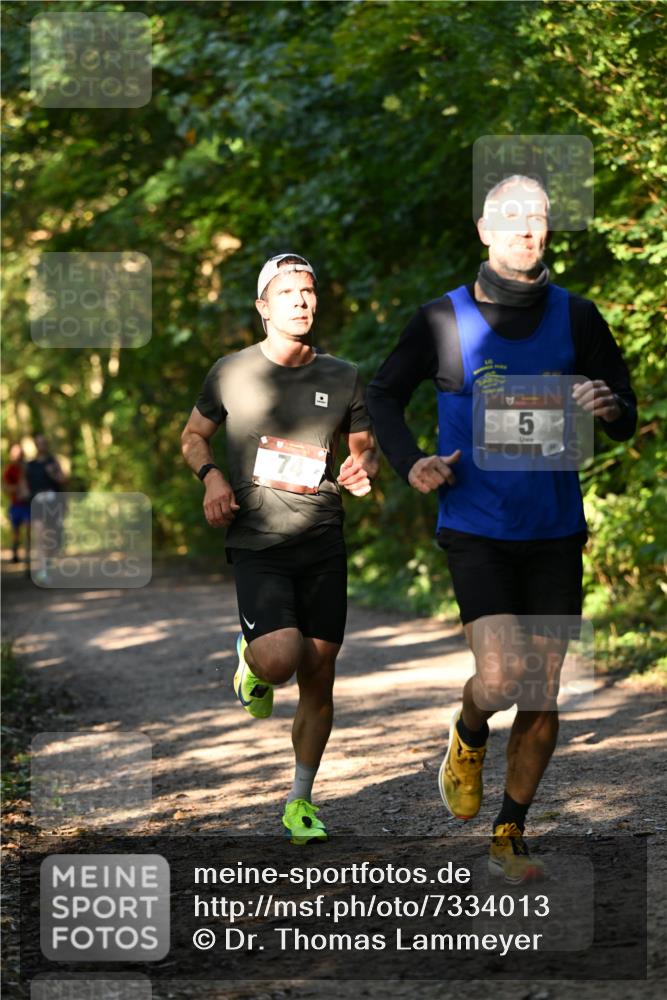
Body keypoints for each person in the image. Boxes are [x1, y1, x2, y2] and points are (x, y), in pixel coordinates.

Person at [367, 175, 636, 882]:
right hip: (477, 526)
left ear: (548, 231)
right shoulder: (441, 321)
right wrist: (410, 461)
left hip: (553, 529)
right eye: (509, 217)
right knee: (499, 673)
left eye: (537, 217)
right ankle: (467, 731)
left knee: (542, 690)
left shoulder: (577, 318)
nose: (525, 228)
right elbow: (382, 395)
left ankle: (508, 831)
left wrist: (606, 405)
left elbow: (625, 413)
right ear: (483, 231)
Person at [181, 253, 378, 844]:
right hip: (259, 540)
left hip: (321, 536)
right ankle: (251, 657)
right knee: (279, 660)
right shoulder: (231, 372)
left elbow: (365, 448)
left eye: (309, 291)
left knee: (320, 677)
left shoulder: (343, 375)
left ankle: (300, 800)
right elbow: (193, 435)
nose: (301, 300)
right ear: (263, 307)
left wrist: (362, 466)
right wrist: (212, 476)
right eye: (288, 292)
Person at [25, 433, 67, 581]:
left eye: (43, 442)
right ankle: (42, 570)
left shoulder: (53, 461)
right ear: (35, 445)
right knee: (40, 536)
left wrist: (53, 474)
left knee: (52, 537)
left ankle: (48, 562)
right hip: (36, 503)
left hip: (53, 503)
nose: (41, 445)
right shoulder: (30, 465)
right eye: (38, 443)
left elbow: (63, 481)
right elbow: (25, 486)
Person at [2, 443, 31, 563]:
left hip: (28, 504)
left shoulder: (28, 467)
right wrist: (17, 488)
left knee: (29, 528)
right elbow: (5, 487)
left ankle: (29, 554)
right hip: (16, 504)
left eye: (19, 452)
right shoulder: (9, 469)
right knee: (16, 530)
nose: (17, 455)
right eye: (15, 452)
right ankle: (15, 553)